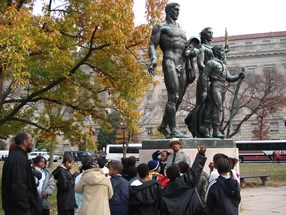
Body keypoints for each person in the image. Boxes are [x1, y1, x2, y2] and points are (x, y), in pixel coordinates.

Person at [148, 2, 191, 138]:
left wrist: (191, 52)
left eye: (179, 10)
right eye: (175, 9)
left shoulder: (182, 31)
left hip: (182, 64)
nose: (178, 12)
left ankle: (163, 125)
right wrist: (154, 59)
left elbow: (186, 49)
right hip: (170, 61)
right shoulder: (160, 27)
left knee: (178, 99)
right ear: (168, 11)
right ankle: (173, 129)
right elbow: (151, 45)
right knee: (174, 97)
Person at [201, 45, 245, 138]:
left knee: (211, 109)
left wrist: (238, 76)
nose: (223, 53)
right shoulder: (211, 62)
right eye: (222, 51)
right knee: (218, 108)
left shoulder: (224, 65)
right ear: (217, 52)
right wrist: (204, 90)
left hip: (222, 87)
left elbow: (229, 78)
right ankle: (216, 131)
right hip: (214, 86)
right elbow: (204, 76)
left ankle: (205, 127)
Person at [2, 133, 42, 215]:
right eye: (31, 140)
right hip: (19, 209)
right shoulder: (18, 159)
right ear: (25, 142)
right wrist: (26, 207)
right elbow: (19, 185)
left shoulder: (19, 157)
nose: (32, 143)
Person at [160, 145, 207, 215]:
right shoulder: (187, 180)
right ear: (178, 172)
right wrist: (201, 154)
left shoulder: (164, 192)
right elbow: (196, 169)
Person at [185, 27, 214, 138]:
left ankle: (201, 126)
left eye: (212, 33)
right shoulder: (202, 47)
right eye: (209, 33)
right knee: (203, 104)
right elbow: (200, 64)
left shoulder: (211, 48)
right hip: (204, 79)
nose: (211, 35)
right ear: (204, 35)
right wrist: (211, 70)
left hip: (212, 80)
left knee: (210, 105)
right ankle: (197, 126)